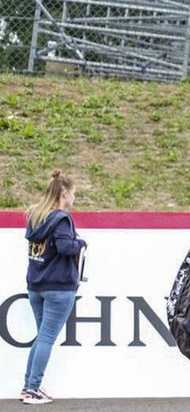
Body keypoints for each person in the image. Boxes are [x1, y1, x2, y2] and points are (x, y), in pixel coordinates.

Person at [21, 170, 85, 406]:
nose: (74, 198)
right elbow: (66, 247)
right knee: (46, 338)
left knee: (42, 337)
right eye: (74, 193)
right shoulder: (61, 219)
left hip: (35, 285)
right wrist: (81, 242)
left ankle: (30, 385)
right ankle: (31, 388)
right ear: (64, 193)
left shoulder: (36, 216)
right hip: (58, 286)